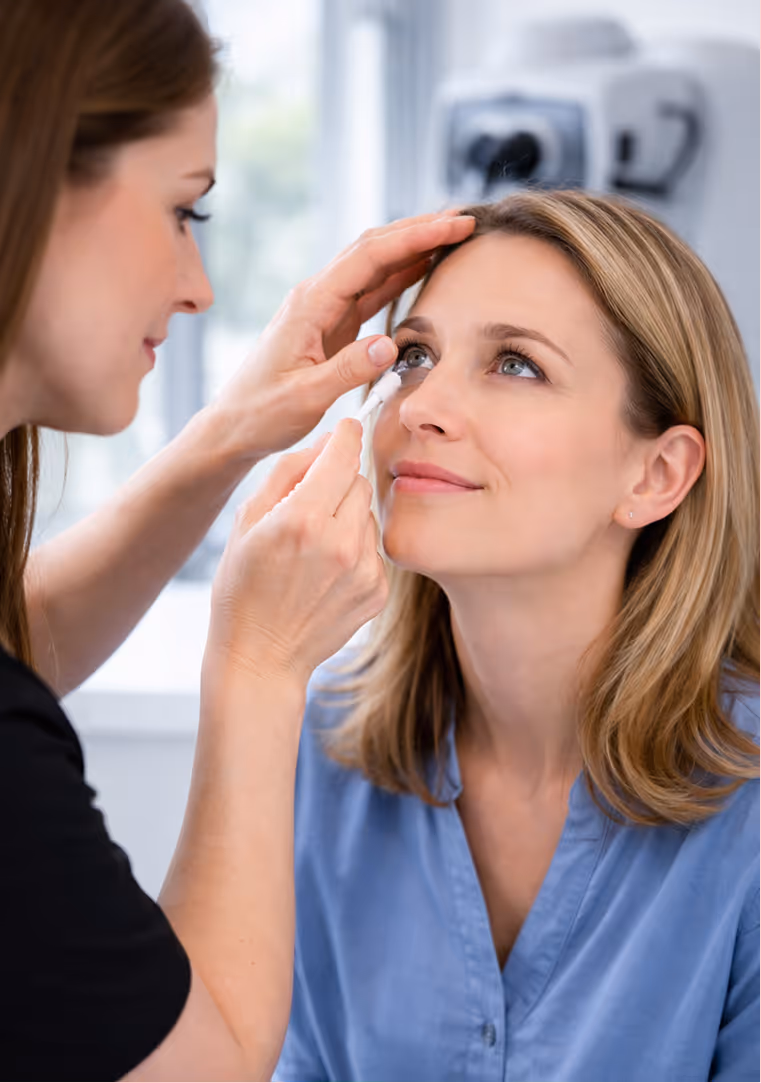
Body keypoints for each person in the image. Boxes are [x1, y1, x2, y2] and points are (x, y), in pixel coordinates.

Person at [0, 1, 477, 1078]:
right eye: (185, 212)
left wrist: (225, 437)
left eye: (517, 364)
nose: (197, 286)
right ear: (28, 168)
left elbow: (19, 642)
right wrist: (258, 663)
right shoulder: (345, 762)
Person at [273, 191, 760, 1083]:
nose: (423, 405)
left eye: (516, 365)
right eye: (414, 355)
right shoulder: (323, 748)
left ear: (656, 473)